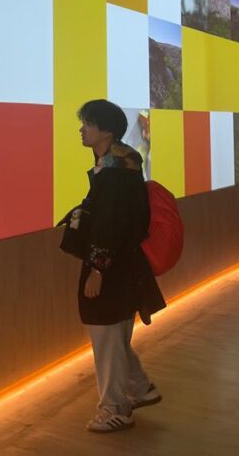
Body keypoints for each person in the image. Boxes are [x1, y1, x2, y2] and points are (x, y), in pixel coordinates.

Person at [75, 99, 166, 433]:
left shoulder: (116, 170)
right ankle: (140, 388)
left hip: (111, 267)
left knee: (107, 335)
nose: (82, 129)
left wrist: (98, 268)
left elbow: (112, 224)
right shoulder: (116, 162)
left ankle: (115, 408)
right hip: (121, 264)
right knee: (113, 337)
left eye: (88, 123)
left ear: (106, 132)